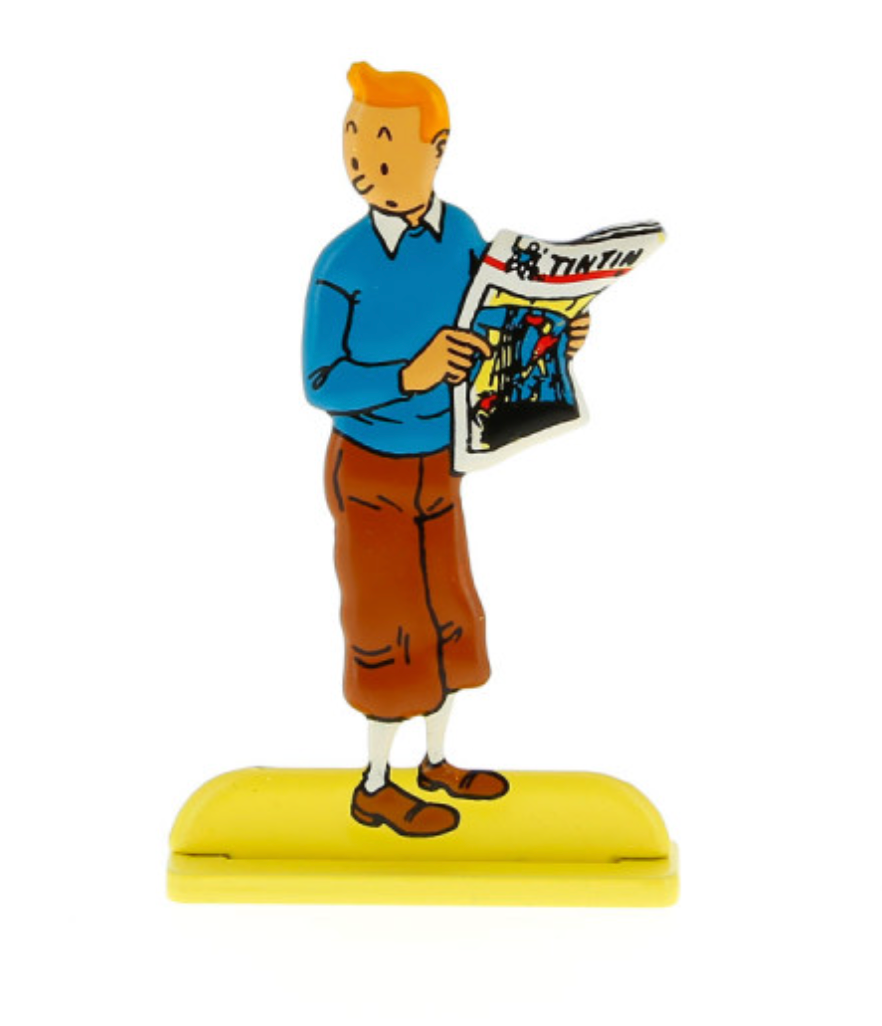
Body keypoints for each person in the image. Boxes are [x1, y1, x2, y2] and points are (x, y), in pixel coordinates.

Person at [302, 63, 589, 837]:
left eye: (384, 142)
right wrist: (411, 372)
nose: (362, 160)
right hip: (370, 467)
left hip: (444, 461)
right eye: (353, 136)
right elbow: (321, 381)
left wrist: (554, 333)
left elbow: (493, 319)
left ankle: (434, 759)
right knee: (387, 624)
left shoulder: (461, 235)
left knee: (448, 613)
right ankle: (374, 783)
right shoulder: (341, 266)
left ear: (438, 149)